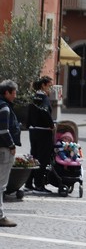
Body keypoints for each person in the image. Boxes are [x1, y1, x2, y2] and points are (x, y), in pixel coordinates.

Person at [25, 76, 55, 193]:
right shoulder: (44, 98)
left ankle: (28, 182)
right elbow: (44, 111)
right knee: (43, 158)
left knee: (34, 156)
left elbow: (30, 112)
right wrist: (51, 125)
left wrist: (29, 125)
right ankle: (39, 184)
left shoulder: (33, 97)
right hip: (43, 131)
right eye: (49, 86)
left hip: (34, 131)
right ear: (43, 85)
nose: (50, 89)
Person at [0, 79, 21, 227]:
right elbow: (3, 131)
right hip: (3, 150)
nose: (15, 96)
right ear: (6, 93)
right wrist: (11, 145)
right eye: (13, 93)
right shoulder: (4, 108)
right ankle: (0, 216)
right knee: (1, 184)